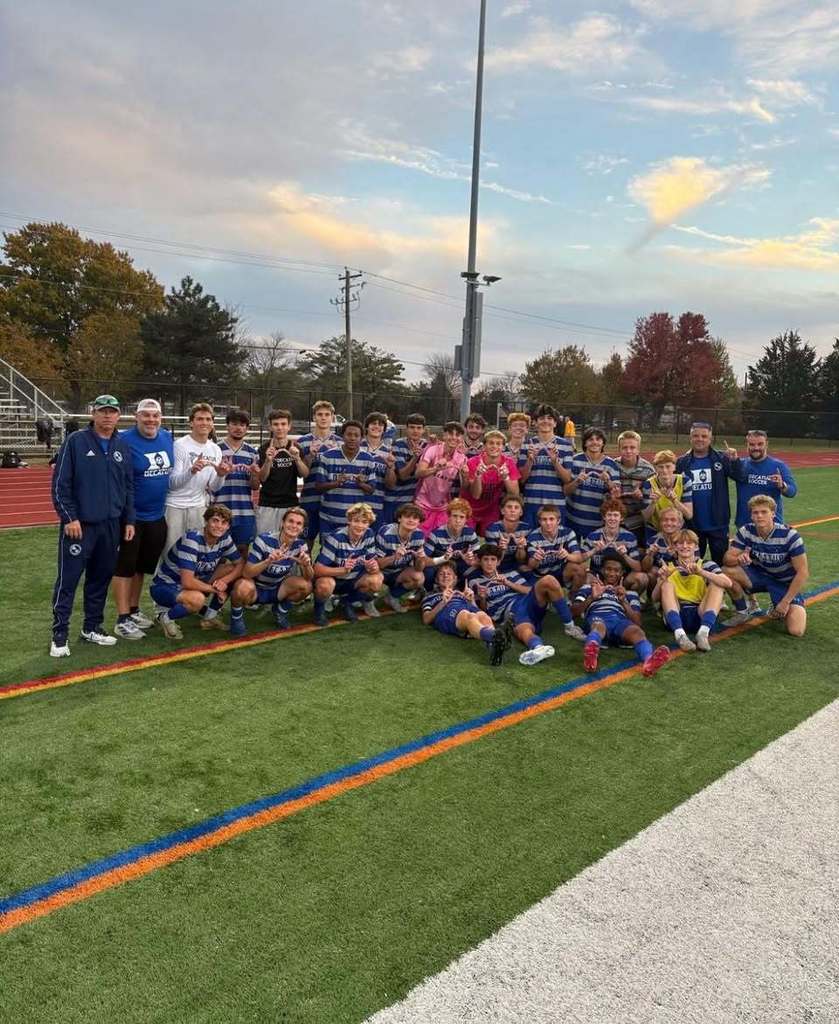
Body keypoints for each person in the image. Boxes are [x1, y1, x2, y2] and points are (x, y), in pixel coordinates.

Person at [50, 394, 135, 657]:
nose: (107, 416)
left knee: (100, 579)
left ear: (119, 415)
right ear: (93, 414)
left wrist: (129, 519)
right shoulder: (75, 442)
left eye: (112, 411)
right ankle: (59, 634)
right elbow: (60, 485)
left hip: (111, 526)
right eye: (102, 411)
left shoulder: (121, 445)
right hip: (80, 527)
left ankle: (92, 627)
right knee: (68, 580)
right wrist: (69, 517)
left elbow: (128, 487)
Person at [111, 398, 174, 640]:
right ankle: (122, 618)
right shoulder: (124, 441)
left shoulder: (167, 437)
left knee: (141, 567)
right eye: (146, 415)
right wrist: (125, 515)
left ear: (161, 418)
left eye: (155, 415)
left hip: (157, 515)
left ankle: (134, 609)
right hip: (131, 517)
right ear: (136, 417)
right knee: (124, 567)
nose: (150, 420)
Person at [471, 544, 585, 666]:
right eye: (486, 559)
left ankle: (570, 626)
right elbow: (483, 613)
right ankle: (538, 647)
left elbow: (529, 590)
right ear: (480, 561)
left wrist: (508, 583)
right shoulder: (475, 582)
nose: (489, 563)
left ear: (498, 562)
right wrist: (482, 598)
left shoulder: (510, 574)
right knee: (524, 630)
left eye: (493, 559)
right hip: (510, 613)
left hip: (525, 602)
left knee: (549, 580)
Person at [150, 504, 244, 639]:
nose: (219, 526)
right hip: (166, 585)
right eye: (215, 521)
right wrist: (217, 590)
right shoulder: (192, 539)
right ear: (206, 521)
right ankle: (165, 617)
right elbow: (187, 582)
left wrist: (223, 582)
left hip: (196, 580)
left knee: (230, 570)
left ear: (228, 526)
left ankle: (209, 617)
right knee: (197, 599)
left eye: (224, 523)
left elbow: (240, 564)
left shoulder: (225, 538)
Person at [723, 495, 808, 636]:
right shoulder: (746, 531)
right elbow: (727, 559)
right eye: (755, 512)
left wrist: (785, 602)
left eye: (764, 512)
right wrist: (739, 559)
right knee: (726, 571)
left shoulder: (790, 535)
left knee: (796, 630)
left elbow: (803, 572)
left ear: (773, 514)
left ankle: (779, 603)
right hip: (760, 576)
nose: (759, 516)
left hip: (784, 583)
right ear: (751, 515)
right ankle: (743, 611)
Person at [574, 554, 671, 677]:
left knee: (637, 631)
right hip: (597, 617)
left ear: (622, 573)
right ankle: (591, 655)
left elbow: (637, 622)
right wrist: (591, 598)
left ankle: (649, 661)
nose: (612, 573)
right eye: (608, 569)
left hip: (620, 622)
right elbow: (574, 612)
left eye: (616, 571)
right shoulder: (589, 587)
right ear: (602, 570)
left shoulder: (630, 594)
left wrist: (623, 601)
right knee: (598, 626)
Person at [229, 506, 314, 633]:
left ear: (302, 529)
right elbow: (247, 573)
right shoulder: (263, 540)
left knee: (306, 586)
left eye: (298, 523)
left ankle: (280, 611)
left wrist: (306, 565)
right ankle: (236, 618)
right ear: (282, 523)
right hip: (255, 587)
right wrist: (268, 561)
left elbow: (309, 578)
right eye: (290, 521)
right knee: (242, 587)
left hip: (277, 588)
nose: (294, 526)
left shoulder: (301, 545)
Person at [164, 402, 231, 554]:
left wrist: (221, 474)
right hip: (175, 507)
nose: (204, 423)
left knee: (194, 552)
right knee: (171, 552)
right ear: (191, 422)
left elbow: (214, 487)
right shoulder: (180, 445)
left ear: (213, 423)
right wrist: (191, 471)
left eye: (208, 419)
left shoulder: (215, 449)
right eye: (200, 419)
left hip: (198, 507)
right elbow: (172, 484)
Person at [675, 421, 746, 563]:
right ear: (690, 438)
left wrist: (735, 461)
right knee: (692, 564)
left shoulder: (721, 458)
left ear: (710, 438)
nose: (700, 439)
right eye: (696, 436)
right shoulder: (682, 462)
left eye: (704, 436)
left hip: (718, 523)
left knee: (720, 563)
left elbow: (740, 477)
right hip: (692, 525)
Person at [421, 562, 512, 666]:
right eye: (441, 574)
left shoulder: (462, 592)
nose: (445, 576)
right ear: (436, 579)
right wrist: (443, 602)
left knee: (483, 615)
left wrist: (471, 600)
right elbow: (426, 619)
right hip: (447, 613)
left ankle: (493, 647)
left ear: (455, 578)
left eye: (449, 574)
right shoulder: (430, 596)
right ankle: (494, 636)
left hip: (466, 609)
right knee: (468, 615)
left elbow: (477, 610)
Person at [659, 528, 733, 652]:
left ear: (696, 546)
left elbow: (728, 583)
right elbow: (656, 597)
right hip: (677, 614)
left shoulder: (706, 564)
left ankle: (703, 634)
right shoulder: (668, 567)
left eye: (689, 543)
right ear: (675, 547)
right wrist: (662, 578)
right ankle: (680, 635)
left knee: (717, 585)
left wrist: (701, 572)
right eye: (680, 543)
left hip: (701, 614)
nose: (684, 546)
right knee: (666, 585)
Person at [313, 502, 384, 624]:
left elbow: (374, 566)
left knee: (377, 580)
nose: (360, 526)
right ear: (349, 521)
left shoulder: (369, 534)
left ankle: (346, 602)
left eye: (364, 522)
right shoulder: (335, 538)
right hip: (334, 580)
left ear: (369, 524)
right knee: (325, 584)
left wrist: (372, 567)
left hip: (354, 580)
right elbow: (317, 569)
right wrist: (343, 570)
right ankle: (319, 609)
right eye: (356, 521)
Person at [312, 421, 380, 537]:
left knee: (352, 554)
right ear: (342, 436)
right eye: (349, 434)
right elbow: (318, 487)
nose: (352, 438)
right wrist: (336, 483)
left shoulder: (368, 459)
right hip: (330, 518)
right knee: (329, 553)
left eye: (356, 435)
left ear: (362, 438)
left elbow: (371, 489)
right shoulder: (327, 456)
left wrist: (361, 484)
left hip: (355, 521)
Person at [256, 409, 309, 537]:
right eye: (276, 424)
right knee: (265, 542)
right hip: (267, 503)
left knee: (289, 544)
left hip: (289, 503)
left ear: (289, 426)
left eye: (283, 424)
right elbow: (262, 478)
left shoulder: (295, 447)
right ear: (270, 426)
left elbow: (304, 474)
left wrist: (297, 459)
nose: (280, 427)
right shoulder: (264, 448)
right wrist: (268, 461)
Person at [216, 408, 261, 555]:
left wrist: (255, 475)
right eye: (234, 424)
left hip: (244, 510)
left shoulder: (252, 453)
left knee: (242, 552)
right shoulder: (216, 450)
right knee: (217, 553)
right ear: (227, 426)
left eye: (242, 425)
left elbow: (255, 486)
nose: (238, 428)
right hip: (220, 509)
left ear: (247, 428)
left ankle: (240, 579)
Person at [520, 404, 574, 527]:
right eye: (541, 418)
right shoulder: (527, 444)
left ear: (555, 423)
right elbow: (522, 479)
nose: (545, 421)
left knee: (554, 543)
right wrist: (529, 460)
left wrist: (555, 462)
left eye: (550, 418)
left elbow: (567, 479)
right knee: (530, 542)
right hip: (531, 503)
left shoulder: (565, 445)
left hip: (555, 504)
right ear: (535, 422)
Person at [582, 497, 648, 595]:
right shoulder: (593, 536)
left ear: (621, 518)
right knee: (583, 576)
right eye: (609, 515)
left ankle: (630, 601)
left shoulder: (629, 537)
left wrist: (624, 555)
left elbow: (637, 568)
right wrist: (594, 550)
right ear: (604, 517)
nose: (612, 518)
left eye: (616, 515)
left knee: (642, 578)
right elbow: (580, 561)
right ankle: (585, 602)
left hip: (622, 578)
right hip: (598, 577)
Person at [297, 400, 341, 547]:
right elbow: (301, 473)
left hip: (333, 500)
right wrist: (309, 455)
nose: (323, 418)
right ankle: (304, 570)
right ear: (314, 417)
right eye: (320, 414)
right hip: (310, 499)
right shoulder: (303, 441)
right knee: (306, 542)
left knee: (329, 543)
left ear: (332, 417)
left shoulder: (341, 443)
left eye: (327, 414)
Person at [563, 427, 620, 539]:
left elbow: (616, 495)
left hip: (598, 522)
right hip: (573, 519)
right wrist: (578, 481)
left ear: (603, 443)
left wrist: (608, 481)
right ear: (585, 443)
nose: (594, 442)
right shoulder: (574, 461)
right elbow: (565, 491)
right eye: (590, 439)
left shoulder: (611, 465)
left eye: (598, 439)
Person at [414, 421, 469, 534]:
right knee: (419, 540)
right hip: (422, 504)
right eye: (450, 434)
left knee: (440, 542)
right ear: (444, 435)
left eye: (457, 435)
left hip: (443, 507)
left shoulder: (462, 458)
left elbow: (465, 486)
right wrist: (436, 468)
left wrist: (465, 475)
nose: (454, 437)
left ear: (461, 438)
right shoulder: (432, 450)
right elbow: (418, 473)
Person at [734, 430, 797, 527]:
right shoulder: (740, 465)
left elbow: (792, 491)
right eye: (752, 444)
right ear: (747, 444)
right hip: (745, 524)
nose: (756, 448)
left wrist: (782, 485)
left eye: (760, 444)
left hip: (771, 525)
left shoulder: (778, 466)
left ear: (766, 444)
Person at [464, 429, 521, 535]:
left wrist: (506, 477)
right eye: (491, 443)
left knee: (491, 539)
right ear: (484, 446)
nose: (494, 446)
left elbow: (515, 494)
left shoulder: (509, 463)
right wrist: (478, 476)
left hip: (491, 510)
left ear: (503, 447)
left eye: (498, 444)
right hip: (469, 508)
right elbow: (476, 495)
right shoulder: (473, 462)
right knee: (467, 538)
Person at [375, 502, 427, 612]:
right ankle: (366, 601)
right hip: (380, 572)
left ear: (419, 522)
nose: (411, 520)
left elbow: (419, 568)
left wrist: (420, 558)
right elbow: (376, 563)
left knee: (419, 577)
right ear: (399, 518)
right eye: (407, 516)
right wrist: (394, 557)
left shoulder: (419, 535)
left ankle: (392, 596)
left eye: (415, 518)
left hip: (399, 572)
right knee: (374, 579)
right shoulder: (386, 533)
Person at [525, 503, 586, 593]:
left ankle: (573, 599)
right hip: (542, 576)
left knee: (579, 569)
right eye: (544, 519)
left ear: (558, 520)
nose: (548, 523)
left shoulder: (568, 533)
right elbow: (530, 565)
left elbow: (578, 557)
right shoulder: (532, 537)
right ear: (539, 521)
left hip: (561, 572)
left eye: (551, 519)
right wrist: (536, 559)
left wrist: (567, 555)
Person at [422, 498, 479, 588]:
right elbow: (423, 560)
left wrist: (472, 562)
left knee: (474, 571)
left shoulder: (470, 533)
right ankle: (429, 594)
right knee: (428, 572)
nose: (458, 520)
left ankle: (462, 593)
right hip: (439, 564)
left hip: (460, 563)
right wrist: (442, 559)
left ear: (466, 519)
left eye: (461, 517)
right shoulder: (436, 534)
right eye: (455, 516)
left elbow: (480, 559)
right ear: (448, 516)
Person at [613, 430, 655, 550]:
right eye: (624, 447)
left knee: (637, 554)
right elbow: (604, 495)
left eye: (632, 447)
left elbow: (651, 500)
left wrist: (642, 496)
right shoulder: (612, 466)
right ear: (619, 449)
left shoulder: (648, 470)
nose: (628, 451)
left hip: (638, 521)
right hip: (615, 520)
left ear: (638, 449)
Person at [385, 413, 428, 524]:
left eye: (419, 428)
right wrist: (415, 458)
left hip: (417, 502)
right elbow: (403, 476)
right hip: (395, 500)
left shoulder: (427, 446)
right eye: (412, 427)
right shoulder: (397, 445)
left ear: (424, 430)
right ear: (406, 429)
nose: (415, 431)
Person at [642, 449, 694, 534]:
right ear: (655, 468)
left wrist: (674, 500)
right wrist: (653, 503)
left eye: (668, 466)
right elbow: (645, 518)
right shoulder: (649, 484)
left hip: (677, 529)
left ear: (674, 467)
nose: (664, 470)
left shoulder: (684, 481)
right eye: (660, 467)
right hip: (655, 529)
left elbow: (689, 515)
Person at [360, 411, 398, 526]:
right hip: (356, 503)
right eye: (373, 423)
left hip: (377, 505)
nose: (377, 426)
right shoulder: (357, 447)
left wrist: (390, 468)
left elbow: (391, 485)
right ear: (366, 427)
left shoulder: (388, 452)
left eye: (380, 424)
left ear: (384, 429)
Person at [484, 494, 530, 574]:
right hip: (498, 566)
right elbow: (493, 562)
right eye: (509, 507)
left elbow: (521, 560)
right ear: (502, 511)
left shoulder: (526, 528)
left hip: (517, 565)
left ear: (521, 512)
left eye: (516, 507)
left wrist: (520, 548)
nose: (512, 510)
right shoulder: (492, 529)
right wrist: (502, 549)